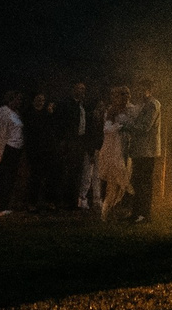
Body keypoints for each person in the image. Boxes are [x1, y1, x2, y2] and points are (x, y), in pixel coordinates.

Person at [124, 83, 164, 222]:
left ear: (149, 90)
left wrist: (127, 126)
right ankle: (136, 213)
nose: (140, 93)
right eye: (138, 90)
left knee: (144, 183)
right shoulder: (143, 104)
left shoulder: (153, 104)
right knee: (137, 181)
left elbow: (145, 126)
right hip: (140, 150)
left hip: (147, 150)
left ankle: (144, 214)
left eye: (142, 90)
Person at [95, 85, 133, 220]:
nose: (125, 97)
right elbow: (107, 129)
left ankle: (117, 207)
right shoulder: (112, 110)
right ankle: (107, 210)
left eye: (127, 94)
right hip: (114, 148)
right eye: (122, 94)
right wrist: (119, 127)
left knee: (124, 177)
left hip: (127, 147)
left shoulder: (132, 109)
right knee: (113, 180)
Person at [70, 81, 102, 213]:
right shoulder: (90, 119)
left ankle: (96, 199)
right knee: (87, 175)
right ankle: (82, 198)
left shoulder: (101, 119)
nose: (100, 110)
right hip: (90, 148)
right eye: (98, 107)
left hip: (99, 149)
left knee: (96, 176)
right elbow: (90, 134)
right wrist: (91, 150)